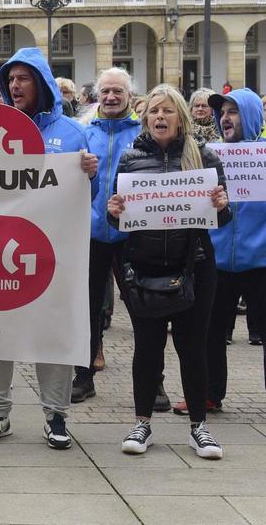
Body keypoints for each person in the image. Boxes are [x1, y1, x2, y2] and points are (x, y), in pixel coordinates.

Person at [0, 47, 97, 451]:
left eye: (23, 78)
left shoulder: (73, 134)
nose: (14, 86)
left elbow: (88, 197)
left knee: (55, 331)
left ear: (42, 84)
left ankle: (56, 414)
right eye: (10, 79)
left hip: (53, 254)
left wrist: (88, 175)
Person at [107, 84, 230, 459]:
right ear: (146, 119)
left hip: (194, 267)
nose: (160, 117)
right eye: (154, 111)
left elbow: (222, 218)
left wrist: (222, 204)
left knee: (193, 348)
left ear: (181, 118)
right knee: (147, 348)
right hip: (143, 268)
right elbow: (118, 222)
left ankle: (199, 427)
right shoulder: (130, 159)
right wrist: (115, 210)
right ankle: (142, 422)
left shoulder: (204, 157)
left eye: (168, 111)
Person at [73, 69, 145, 404]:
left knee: (143, 308)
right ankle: (83, 376)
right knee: (86, 309)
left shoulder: (143, 131)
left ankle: (151, 381)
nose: (111, 97)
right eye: (105, 91)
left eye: (118, 91)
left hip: (133, 233)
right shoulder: (84, 131)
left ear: (130, 95)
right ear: (97, 95)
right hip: (91, 231)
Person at [201, 88, 266, 417]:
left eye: (233, 112)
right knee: (211, 331)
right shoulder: (209, 156)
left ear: (252, 116)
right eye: (222, 113)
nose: (225, 118)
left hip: (261, 261)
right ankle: (210, 395)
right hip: (219, 258)